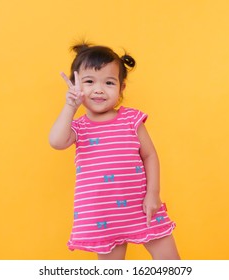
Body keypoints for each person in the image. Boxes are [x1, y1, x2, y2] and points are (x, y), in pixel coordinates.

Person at [49, 43, 180, 260]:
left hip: (142, 208)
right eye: (89, 82)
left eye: (109, 83)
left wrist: (153, 193)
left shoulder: (131, 119)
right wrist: (70, 107)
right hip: (103, 214)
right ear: (75, 86)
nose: (99, 89)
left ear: (121, 89)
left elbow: (150, 156)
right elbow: (56, 142)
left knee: (170, 263)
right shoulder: (79, 127)